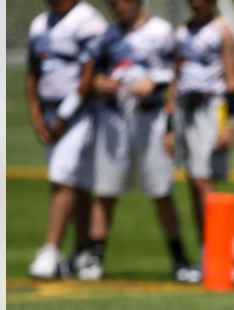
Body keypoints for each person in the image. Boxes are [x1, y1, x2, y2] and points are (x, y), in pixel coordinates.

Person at [76, 0, 198, 282]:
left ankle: (180, 259)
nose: (115, 7)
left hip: (151, 119)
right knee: (106, 190)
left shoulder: (162, 31)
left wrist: (155, 85)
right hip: (114, 119)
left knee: (160, 190)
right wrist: (99, 85)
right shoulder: (107, 35)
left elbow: (180, 73)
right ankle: (94, 256)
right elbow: (91, 76)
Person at [25, 0, 108, 279]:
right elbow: (32, 74)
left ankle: (51, 249)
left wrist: (64, 116)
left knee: (62, 176)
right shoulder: (39, 24)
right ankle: (82, 251)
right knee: (79, 181)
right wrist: (37, 118)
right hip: (50, 114)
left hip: (81, 114)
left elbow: (89, 75)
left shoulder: (88, 21)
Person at [171, 0, 234, 252]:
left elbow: (231, 80)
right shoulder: (181, 32)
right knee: (192, 178)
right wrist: (170, 124)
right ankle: (205, 245)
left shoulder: (221, 31)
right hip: (184, 107)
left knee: (203, 179)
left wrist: (230, 124)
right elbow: (175, 75)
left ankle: (215, 248)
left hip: (210, 106)